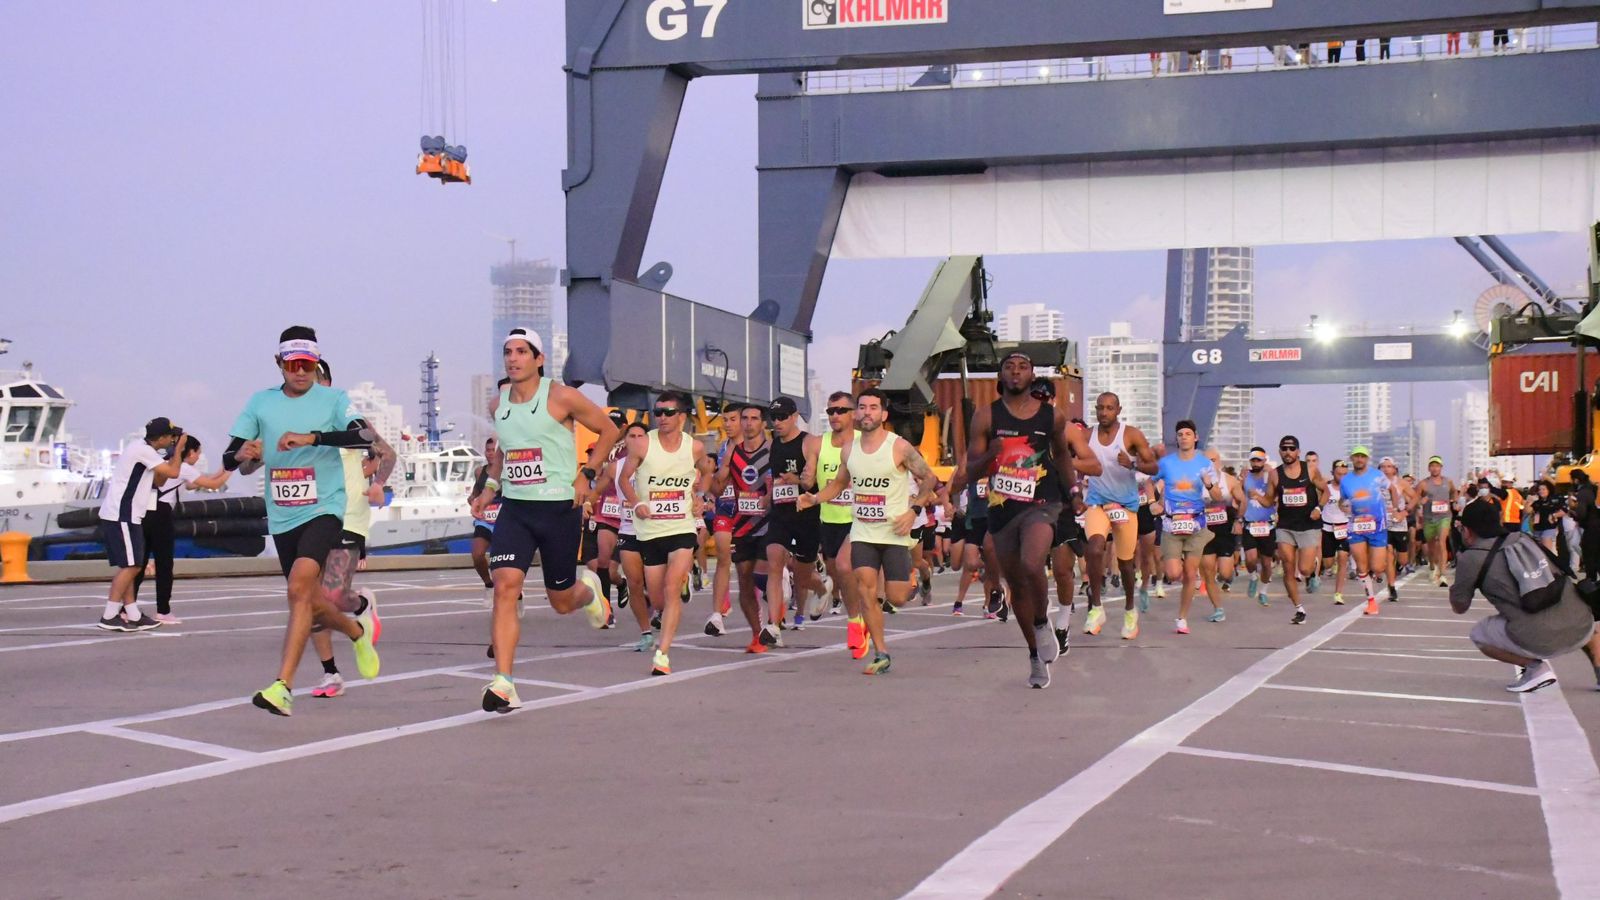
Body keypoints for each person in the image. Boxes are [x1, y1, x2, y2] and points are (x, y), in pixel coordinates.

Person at [223, 327, 382, 716]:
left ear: (316, 364)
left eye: (307, 365)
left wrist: (313, 438)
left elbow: (364, 436)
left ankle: (283, 687)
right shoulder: (260, 403)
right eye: (293, 365)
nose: (300, 372)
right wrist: (245, 453)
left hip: (324, 509)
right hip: (282, 515)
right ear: (278, 364)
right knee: (309, 602)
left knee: (298, 588)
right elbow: (231, 460)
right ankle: (356, 631)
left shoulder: (333, 399)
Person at [470, 326, 618, 713]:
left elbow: (609, 430)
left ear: (538, 359)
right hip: (516, 509)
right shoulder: (497, 403)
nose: (513, 358)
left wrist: (587, 473)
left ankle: (589, 591)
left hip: (558, 509)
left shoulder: (561, 396)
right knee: (505, 586)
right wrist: (488, 488)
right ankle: (504, 682)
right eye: (508, 352)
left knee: (562, 602)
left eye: (522, 352)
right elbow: (504, 452)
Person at [953, 356, 1098, 688]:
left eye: (1022, 366)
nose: (1016, 371)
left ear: (1033, 375)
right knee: (1016, 583)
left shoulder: (1051, 415)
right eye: (1009, 367)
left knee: (1032, 563)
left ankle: (1041, 620)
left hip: (1042, 503)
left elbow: (1062, 455)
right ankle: (1035, 653)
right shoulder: (986, 415)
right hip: (1003, 508)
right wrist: (991, 454)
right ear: (1000, 375)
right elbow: (971, 469)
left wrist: (1074, 491)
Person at [802, 388, 939, 675]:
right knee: (864, 589)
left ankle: (913, 582)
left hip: (894, 533)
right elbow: (839, 484)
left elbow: (929, 478)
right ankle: (881, 652)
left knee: (897, 596)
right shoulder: (849, 449)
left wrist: (913, 510)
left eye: (873, 408)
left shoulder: (898, 447)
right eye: (862, 407)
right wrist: (814, 498)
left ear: (884, 414)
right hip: (863, 531)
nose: (867, 412)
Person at [306, 358, 396, 698]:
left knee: (331, 596)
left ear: (328, 383)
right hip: (310, 516)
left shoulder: (350, 421)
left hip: (349, 516)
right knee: (311, 601)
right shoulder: (301, 427)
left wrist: (379, 484)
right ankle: (330, 674)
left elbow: (387, 454)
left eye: (315, 382)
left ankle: (360, 606)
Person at [1451, 499, 1600, 692]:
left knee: (1480, 633)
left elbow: (1459, 607)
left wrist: (1457, 587)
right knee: (1586, 626)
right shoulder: (1524, 538)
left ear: (1468, 530)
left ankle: (1536, 669)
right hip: (1581, 623)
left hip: (1537, 637)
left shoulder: (1470, 558)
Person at [620, 390, 714, 677]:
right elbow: (624, 479)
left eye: (668, 412)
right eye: (657, 412)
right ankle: (673, 594)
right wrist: (637, 504)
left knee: (672, 588)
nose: (661, 417)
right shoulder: (642, 445)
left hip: (681, 526)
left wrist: (701, 495)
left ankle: (663, 654)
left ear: (683, 417)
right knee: (659, 599)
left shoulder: (694, 448)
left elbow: (707, 471)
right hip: (650, 531)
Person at [96, 418, 189, 632]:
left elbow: (160, 481)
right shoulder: (142, 450)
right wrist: (180, 450)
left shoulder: (145, 451)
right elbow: (174, 473)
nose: (174, 440)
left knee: (132, 564)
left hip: (130, 514)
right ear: (163, 437)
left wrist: (170, 455)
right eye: (171, 436)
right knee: (132, 566)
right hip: (122, 514)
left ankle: (133, 613)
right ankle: (109, 614)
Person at [1080, 392, 1159, 641]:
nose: (1104, 412)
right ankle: (1095, 607)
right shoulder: (1086, 435)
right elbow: (1071, 460)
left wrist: (1133, 463)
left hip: (1125, 505)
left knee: (1125, 563)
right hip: (1097, 503)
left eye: (1109, 408)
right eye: (1100, 408)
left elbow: (1154, 467)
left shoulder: (1131, 434)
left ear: (1118, 410)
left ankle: (1129, 610)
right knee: (1094, 548)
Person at [133, 435, 231, 624]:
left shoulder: (167, 464)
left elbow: (195, 482)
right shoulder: (184, 468)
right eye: (198, 452)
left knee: (139, 563)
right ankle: (163, 610)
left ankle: (127, 607)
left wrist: (223, 469)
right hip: (161, 515)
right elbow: (213, 484)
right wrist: (232, 469)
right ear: (190, 452)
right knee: (164, 564)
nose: (199, 456)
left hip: (145, 513)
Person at [763, 396, 828, 632]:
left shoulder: (809, 443)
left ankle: (821, 589)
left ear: (794, 417)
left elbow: (815, 482)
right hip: (781, 514)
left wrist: (799, 480)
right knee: (774, 562)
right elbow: (775, 476)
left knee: (802, 577)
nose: (777, 423)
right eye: (773, 418)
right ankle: (773, 626)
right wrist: (768, 496)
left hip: (806, 516)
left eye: (781, 418)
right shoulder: (774, 444)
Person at [812, 392, 870, 655]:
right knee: (837, 572)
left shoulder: (864, 441)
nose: (834, 415)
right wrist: (802, 482)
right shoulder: (818, 443)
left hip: (858, 519)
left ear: (853, 414)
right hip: (829, 519)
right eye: (830, 411)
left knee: (847, 568)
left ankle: (856, 622)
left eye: (840, 410)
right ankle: (858, 615)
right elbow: (810, 475)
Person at [1154, 420, 1224, 634]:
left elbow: (1218, 497)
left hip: (1196, 524)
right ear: (1177, 439)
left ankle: (1182, 618)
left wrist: (1209, 484)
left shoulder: (1204, 464)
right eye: (1180, 434)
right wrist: (1153, 503)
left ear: (1196, 437)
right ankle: (1179, 577)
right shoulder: (1166, 463)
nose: (1184, 437)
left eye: (1187, 433)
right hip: (1172, 524)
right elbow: (1149, 482)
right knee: (1174, 573)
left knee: (1191, 573)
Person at [715, 404, 776, 652]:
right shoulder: (732, 452)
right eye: (745, 418)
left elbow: (779, 481)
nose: (748, 423)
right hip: (742, 524)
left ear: (763, 423)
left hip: (770, 523)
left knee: (764, 574)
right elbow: (719, 486)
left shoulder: (773, 449)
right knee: (745, 581)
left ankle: (774, 621)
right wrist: (707, 481)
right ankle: (757, 635)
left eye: (754, 419)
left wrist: (769, 497)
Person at [1265, 435, 1325, 625]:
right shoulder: (1275, 474)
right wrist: (1256, 497)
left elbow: (1326, 490)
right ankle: (1299, 608)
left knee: (1304, 569)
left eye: (1291, 449)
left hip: (1308, 525)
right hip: (1285, 527)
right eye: (1284, 449)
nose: (1288, 452)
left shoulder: (1310, 469)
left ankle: (1314, 565)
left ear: (1298, 451)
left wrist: (1319, 508)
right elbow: (1268, 500)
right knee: (1288, 566)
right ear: (1280, 451)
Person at [1338, 446, 1401, 617]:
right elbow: (1342, 500)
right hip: (1356, 526)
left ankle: (1375, 575)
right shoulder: (1346, 480)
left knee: (1378, 567)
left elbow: (1393, 489)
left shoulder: (1377, 475)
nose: (1359, 459)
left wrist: (1395, 508)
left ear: (1367, 459)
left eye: (1362, 456)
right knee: (1361, 566)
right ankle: (1371, 601)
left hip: (1377, 524)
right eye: (1356, 456)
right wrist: (1344, 508)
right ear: (1352, 459)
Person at [1240, 448, 1277, 606]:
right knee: (1250, 559)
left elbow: (1278, 495)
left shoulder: (1271, 476)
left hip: (1267, 525)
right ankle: (1253, 576)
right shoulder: (1245, 477)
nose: (1256, 463)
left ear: (1264, 461)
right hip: (1250, 524)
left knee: (1267, 563)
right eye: (1253, 460)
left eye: (1259, 460)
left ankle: (1263, 591)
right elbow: (1239, 496)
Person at [1378, 457, 1414, 602]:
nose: (1386, 469)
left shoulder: (1401, 483)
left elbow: (1415, 498)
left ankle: (1401, 566)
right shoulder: (1376, 483)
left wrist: (1404, 513)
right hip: (1383, 523)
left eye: (1389, 466)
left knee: (1402, 559)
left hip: (1399, 524)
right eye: (1383, 467)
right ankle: (1391, 587)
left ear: (1394, 468)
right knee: (1388, 554)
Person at [1418, 455, 1457, 587]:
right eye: (1432, 466)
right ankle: (1432, 567)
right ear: (1429, 468)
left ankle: (1443, 574)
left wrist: (1454, 501)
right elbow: (1414, 498)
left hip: (1444, 517)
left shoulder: (1448, 482)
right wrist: (1420, 501)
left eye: (1437, 466)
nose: (1435, 468)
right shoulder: (1423, 483)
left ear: (1441, 468)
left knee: (1441, 542)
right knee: (1431, 546)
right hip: (1429, 518)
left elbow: (1454, 493)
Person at [1319, 459, 1352, 605]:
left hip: (1344, 528)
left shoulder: (1351, 489)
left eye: (1345, 474)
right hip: (1328, 528)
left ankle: (1338, 593)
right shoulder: (1326, 488)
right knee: (1328, 563)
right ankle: (1325, 568)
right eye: (1339, 474)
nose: (1342, 477)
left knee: (1343, 558)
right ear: (1333, 473)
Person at [1528, 480, 1563, 553]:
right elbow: (1527, 511)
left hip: (1549, 527)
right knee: (1538, 551)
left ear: (1548, 490)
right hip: (1537, 528)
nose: (1541, 491)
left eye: (1543, 489)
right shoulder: (1537, 502)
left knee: (1546, 549)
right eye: (1540, 490)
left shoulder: (1553, 500)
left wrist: (1554, 515)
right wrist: (1529, 502)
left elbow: (1563, 511)